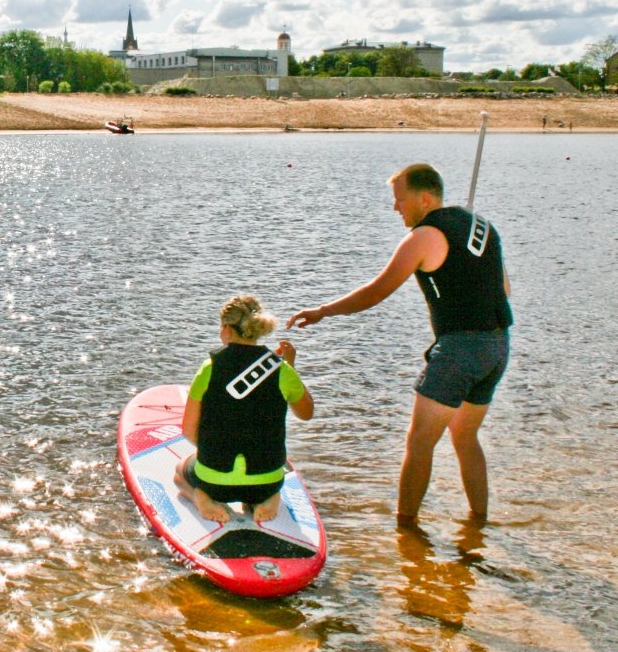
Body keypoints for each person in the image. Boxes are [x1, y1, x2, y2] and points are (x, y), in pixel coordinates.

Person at [287, 163, 512, 525]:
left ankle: (405, 530)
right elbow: (504, 290)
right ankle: (478, 523)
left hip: (459, 351)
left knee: (419, 442)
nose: (396, 208)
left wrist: (323, 311)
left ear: (425, 198)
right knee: (465, 437)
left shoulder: (424, 236)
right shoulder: (483, 228)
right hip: (497, 347)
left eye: (400, 199)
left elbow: (377, 291)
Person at [175, 295, 314, 524]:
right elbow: (306, 413)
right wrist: (290, 366)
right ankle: (266, 499)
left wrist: (218, 447)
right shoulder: (281, 369)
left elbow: (189, 431)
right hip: (266, 481)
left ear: (227, 329)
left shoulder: (210, 367)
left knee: (181, 471)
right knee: (263, 475)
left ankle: (200, 496)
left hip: (214, 482)